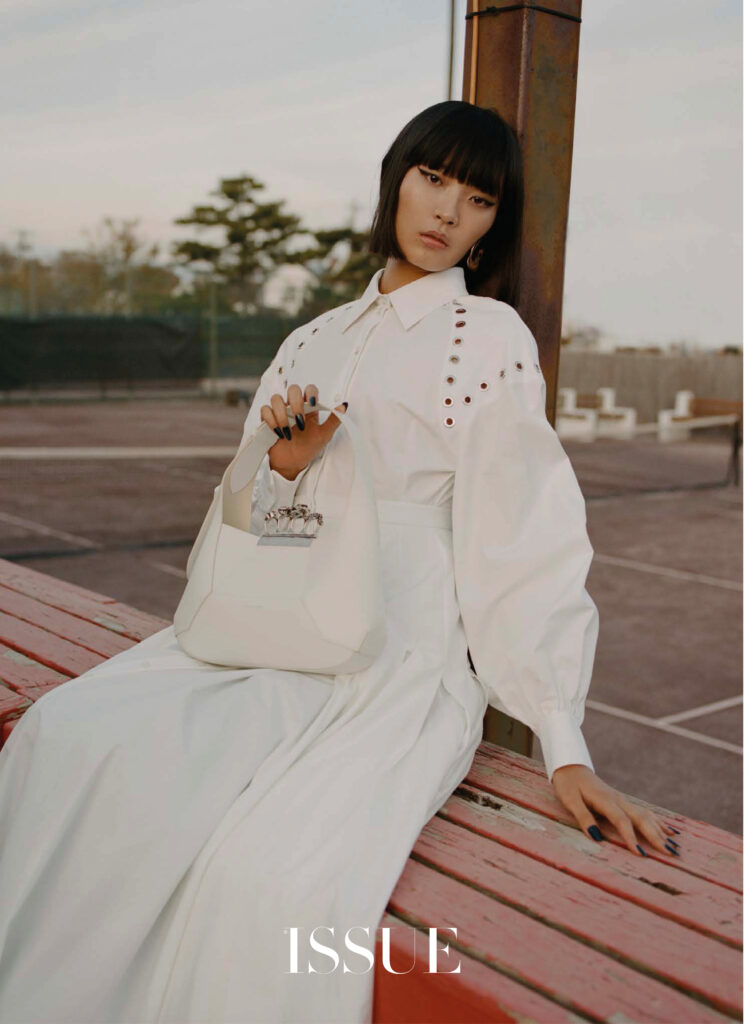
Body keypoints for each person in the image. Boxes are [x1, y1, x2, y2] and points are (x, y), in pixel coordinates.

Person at [0, 100, 680, 1024]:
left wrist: (564, 745)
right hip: (271, 626)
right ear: (396, 181)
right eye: (432, 179)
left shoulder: (489, 338)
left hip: (395, 654)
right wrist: (287, 468)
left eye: (478, 198)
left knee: (272, 873)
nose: (448, 211)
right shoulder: (311, 338)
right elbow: (252, 520)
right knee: (70, 734)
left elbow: (522, 537)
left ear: (492, 224)